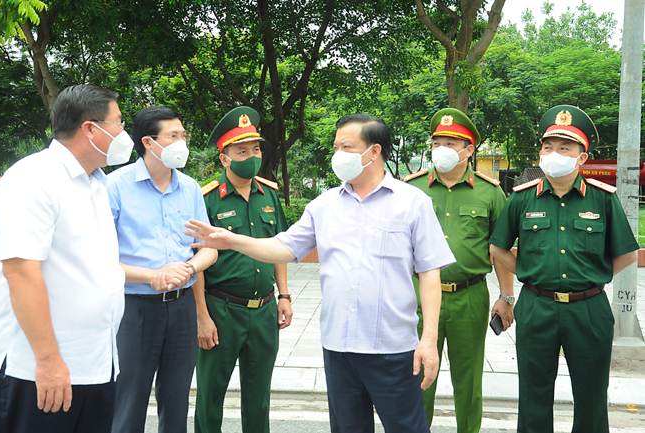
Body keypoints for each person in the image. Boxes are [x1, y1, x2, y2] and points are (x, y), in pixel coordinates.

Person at [186, 114, 456, 433]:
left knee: (406, 427)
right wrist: (232, 240)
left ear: (373, 152)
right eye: (336, 146)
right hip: (339, 348)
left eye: (347, 146)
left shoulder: (412, 203)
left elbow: (429, 272)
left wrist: (429, 339)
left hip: (393, 348)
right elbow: (283, 247)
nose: (337, 154)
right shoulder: (324, 206)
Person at [0, 85, 133, 433]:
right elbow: (20, 272)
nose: (124, 133)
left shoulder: (97, 184)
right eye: (118, 122)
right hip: (36, 369)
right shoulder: (33, 179)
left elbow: (91, 267)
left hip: (94, 366)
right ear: (90, 128)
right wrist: (48, 361)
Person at [489, 105, 639, 433]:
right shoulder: (522, 198)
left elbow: (627, 253)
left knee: (591, 396)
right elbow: (497, 248)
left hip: (589, 309)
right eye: (548, 147)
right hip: (536, 307)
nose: (554, 153)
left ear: (581, 157)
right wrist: (527, 272)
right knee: (532, 394)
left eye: (564, 147)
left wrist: (594, 277)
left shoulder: (602, 198)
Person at [105, 106, 217, 433]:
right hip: (135, 308)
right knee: (129, 399)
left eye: (183, 135)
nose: (182, 142)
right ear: (149, 142)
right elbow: (99, 258)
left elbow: (208, 249)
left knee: (177, 398)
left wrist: (188, 268)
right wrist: (151, 276)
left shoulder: (191, 188)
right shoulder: (115, 187)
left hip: (181, 307)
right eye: (173, 136)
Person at [404, 108, 515, 433]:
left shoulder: (490, 191)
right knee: (417, 374)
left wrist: (506, 296)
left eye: (451, 143)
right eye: (437, 141)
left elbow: (501, 250)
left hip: (470, 296)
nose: (441, 149)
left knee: (468, 379)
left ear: (469, 149)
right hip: (418, 297)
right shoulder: (411, 190)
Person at [194, 106, 292, 433]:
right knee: (210, 397)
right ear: (225, 158)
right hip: (221, 309)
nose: (252, 156)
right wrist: (202, 316)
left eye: (256, 148)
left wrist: (285, 296)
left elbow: (279, 248)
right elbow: (196, 262)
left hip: (263, 310)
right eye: (242, 150)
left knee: (258, 397)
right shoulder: (208, 199)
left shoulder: (270, 194)